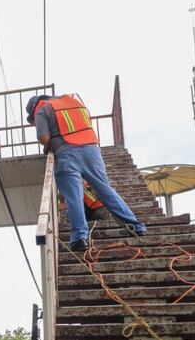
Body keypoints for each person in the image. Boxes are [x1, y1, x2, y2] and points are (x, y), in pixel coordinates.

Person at [27, 93, 145, 251]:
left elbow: (44, 137)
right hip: (92, 151)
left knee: (74, 197)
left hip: (67, 154)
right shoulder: (73, 102)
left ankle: (79, 238)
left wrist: (49, 145)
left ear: (33, 109)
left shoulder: (41, 109)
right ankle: (136, 226)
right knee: (105, 190)